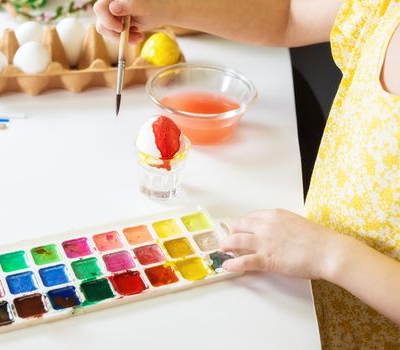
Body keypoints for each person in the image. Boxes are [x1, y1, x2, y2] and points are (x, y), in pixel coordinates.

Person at [94, 0, 400, 348]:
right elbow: (288, 17)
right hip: (311, 299)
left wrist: (331, 254)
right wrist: (165, 8)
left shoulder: (330, 256)